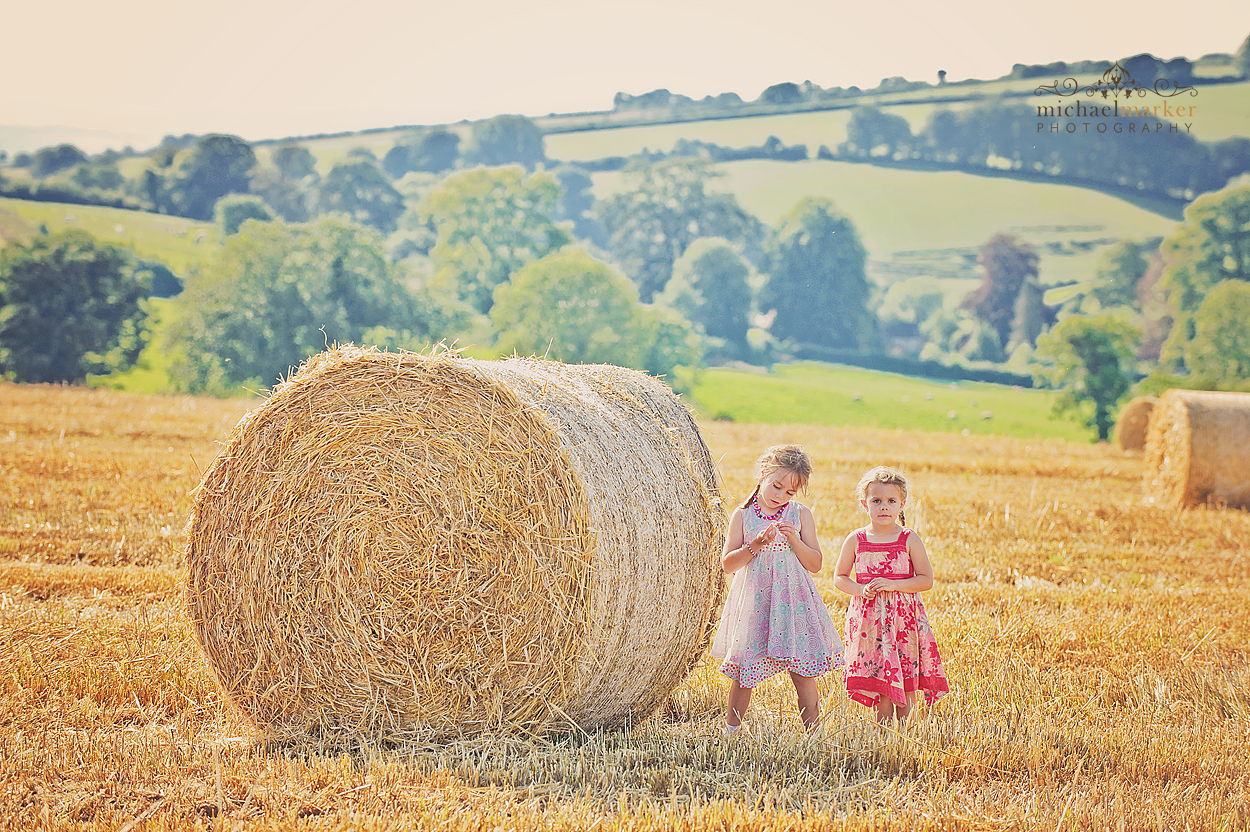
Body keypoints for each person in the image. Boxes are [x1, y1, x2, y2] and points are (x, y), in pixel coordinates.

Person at [711, 444, 842, 736]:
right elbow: (728, 565)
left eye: (788, 492)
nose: (779, 495)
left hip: (794, 604)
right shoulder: (743, 516)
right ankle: (730, 732)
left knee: (804, 673)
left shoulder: (799, 515)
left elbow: (815, 563)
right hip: (755, 605)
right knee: (744, 673)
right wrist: (754, 546)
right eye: (776, 486)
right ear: (762, 474)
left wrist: (794, 539)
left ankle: (814, 735)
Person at [833, 466, 948, 723]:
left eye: (891, 501)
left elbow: (926, 580)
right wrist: (861, 590)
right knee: (880, 679)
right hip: (869, 622)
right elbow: (839, 578)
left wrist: (894, 585)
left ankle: (906, 734)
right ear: (864, 504)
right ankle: (883, 736)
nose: (884, 507)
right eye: (877, 501)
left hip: (903, 621)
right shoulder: (856, 539)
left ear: (902, 504)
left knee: (906, 680)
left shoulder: (908, 538)